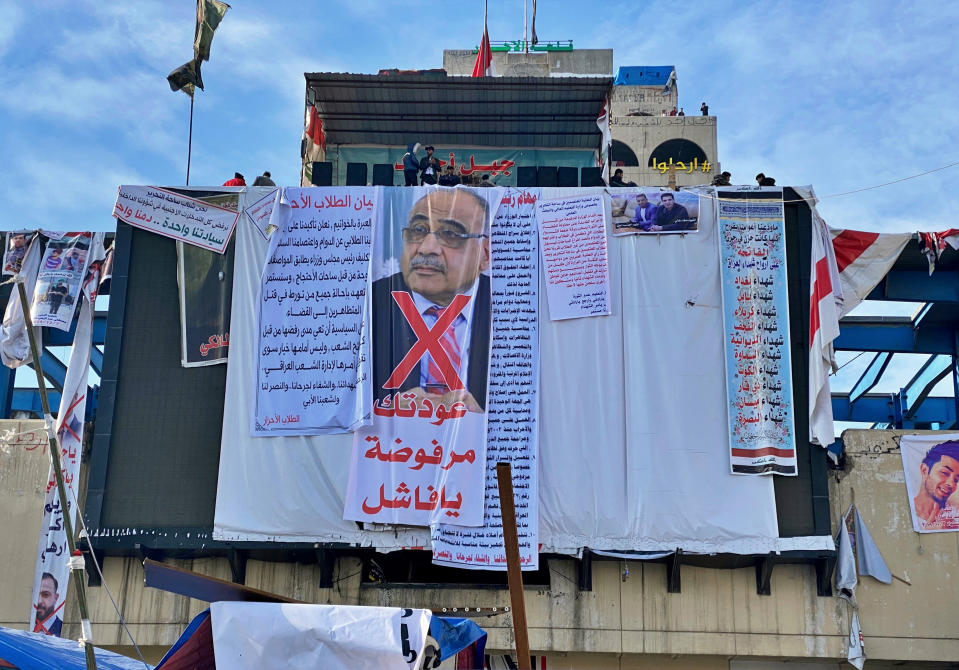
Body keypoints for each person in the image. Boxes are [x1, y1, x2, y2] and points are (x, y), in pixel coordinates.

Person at [372, 189, 491, 412]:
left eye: (451, 234)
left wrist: (484, 420)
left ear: (485, 254)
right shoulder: (369, 305)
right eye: (418, 230)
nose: (427, 248)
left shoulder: (511, 306)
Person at [912, 440, 959, 530]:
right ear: (924, 470)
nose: (951, 484)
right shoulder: (903, 513)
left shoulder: (955, 513)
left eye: (956, 480)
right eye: (945, 473)